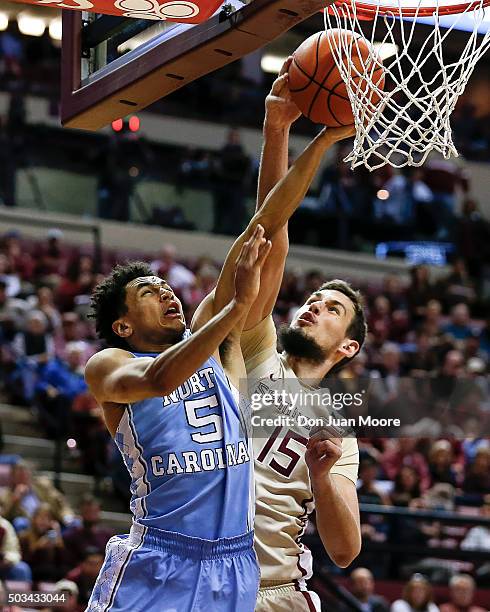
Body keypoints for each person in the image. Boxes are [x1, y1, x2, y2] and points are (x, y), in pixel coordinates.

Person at [192, 60, 361, 611]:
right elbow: (268, 232)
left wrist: (324, 476)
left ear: (347, 347)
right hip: (197, 580)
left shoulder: (339, 434)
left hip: (274, 595)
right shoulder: (258, 351)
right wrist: (279, 129)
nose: (315, 304)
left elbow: (344, 550)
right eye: (313, 298)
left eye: (333, 308)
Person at [83, 225, 271, 610]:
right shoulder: (110, 363)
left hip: (235, 562)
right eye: (148, 292)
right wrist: (238, 306)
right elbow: (160, 379)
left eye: (164, 285)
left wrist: (312, 160)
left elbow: (268, 222)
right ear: (124, 326)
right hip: (160, 555)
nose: (166, 291)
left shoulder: (208, 342)